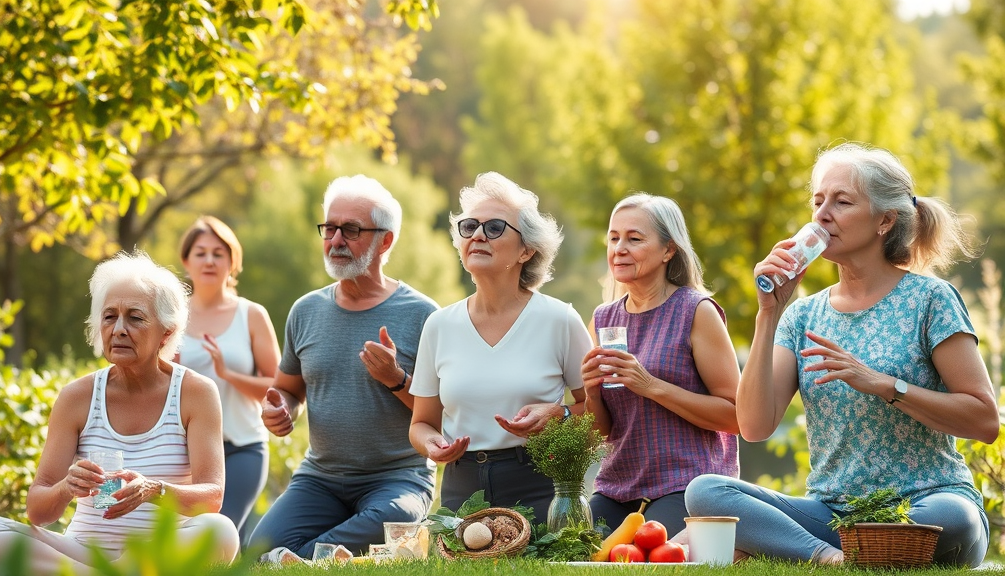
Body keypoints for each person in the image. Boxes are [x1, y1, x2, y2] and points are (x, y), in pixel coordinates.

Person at [685, 142, 998, 567]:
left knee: (953, 517)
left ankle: (804, 551)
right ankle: (829, 559)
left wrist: (883, 385)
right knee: (706, 492)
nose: (821, 214)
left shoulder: (930, 299)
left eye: (842, 201)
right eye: (817, 201)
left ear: (885, 220)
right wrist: (768, 315)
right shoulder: (802, 315)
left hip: (926, 504)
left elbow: (983, 420)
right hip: (835, 517)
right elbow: (754, 426)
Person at [0, 252, 238, 576]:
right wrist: (65, 488)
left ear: (166, 332)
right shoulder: (77, 397)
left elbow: (212, 498)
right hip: (83, 553)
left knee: (221, 530)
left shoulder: (195, 392)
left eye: (135, 317)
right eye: (109, 317)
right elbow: (37, 511)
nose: (118, 329)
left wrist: (153, 489)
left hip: (159, 552)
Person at [248, 175, 438, 560]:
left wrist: (396, 379)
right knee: (258, 548)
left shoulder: (423, 315)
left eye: (351, 229)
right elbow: (289, 389)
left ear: (385, 241)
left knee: (393, 520)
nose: (335, 240)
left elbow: (442, 416)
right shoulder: (305, 311)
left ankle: (297, 560)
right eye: (329, 228)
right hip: (320, 479)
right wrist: (282, 408)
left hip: (397, 480)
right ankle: (310, 558)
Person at [409, 172, 592, 524]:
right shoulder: (438, 326)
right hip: (460, 492)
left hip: (540, 486)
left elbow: (603, 417)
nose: (477, 235)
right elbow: (421, 424)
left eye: (494, 228)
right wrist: (432, 445)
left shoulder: (560, 320)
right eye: (469, 227)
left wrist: (561, 415)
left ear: (527, 250)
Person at [582, 193, 740, 538]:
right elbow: (601, 431)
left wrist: (651, 385)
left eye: (634, 239)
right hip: (617, 486)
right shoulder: (603, 319)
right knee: (572, 549)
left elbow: (736, 416)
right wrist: (592, 393)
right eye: (614, 238)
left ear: (669, 250)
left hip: (688, 483)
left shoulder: (696, 311)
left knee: (643, 553)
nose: (619, 248)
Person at [177, 216, 281, 543]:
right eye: (201, 252)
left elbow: (277, 387)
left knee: (215, 534)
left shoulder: (251, 314)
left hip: (242, 448)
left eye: (218, 253)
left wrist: (228, 374)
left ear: (232, 262)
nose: (209, 260)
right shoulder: (170, 317)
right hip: (183, 452)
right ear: (186, 261)